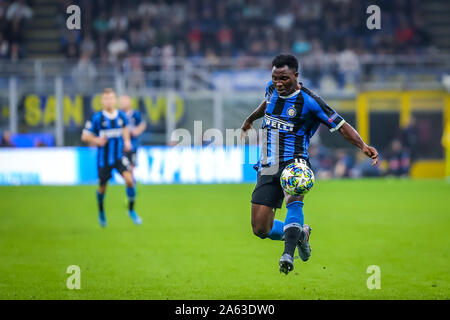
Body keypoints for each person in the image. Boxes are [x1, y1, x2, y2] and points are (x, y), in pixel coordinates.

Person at [241, 54, 378, 275]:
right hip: (268, 165)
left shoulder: (310, 101)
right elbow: (266, 104)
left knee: (294, 201)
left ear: (296, 75)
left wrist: (362, 145)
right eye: (275, 78)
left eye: (284, 78)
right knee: (260, 228)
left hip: (295, 163)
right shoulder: (272, 88)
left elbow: (341, 125)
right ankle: (300, 234)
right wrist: (250, 119)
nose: (279, 83)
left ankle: (288, 254)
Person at [81, 88, 142, 227]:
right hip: (104, 160)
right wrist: (96, 141)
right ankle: (101, 211)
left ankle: (131, 210)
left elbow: (125, 128)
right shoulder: (97, 118)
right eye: (106, 98)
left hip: (119, 156)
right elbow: (85, 136)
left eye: (111, 98)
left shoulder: (121, 116)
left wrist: (126, 141)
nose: (109, 101)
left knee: (130, 180)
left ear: (115, 100)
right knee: (102, 188)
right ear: (102, 101)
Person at [118, 95, 147, 176]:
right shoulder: (118, 114)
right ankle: (128, 179)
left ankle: (131, 179)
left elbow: (142, 124)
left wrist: (137, 131)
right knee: (123, 163)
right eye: (122, 102)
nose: (123, 103)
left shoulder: (135, 114)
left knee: (132, 164)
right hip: (121, 144)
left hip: (133, 144)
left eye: (125, 101)